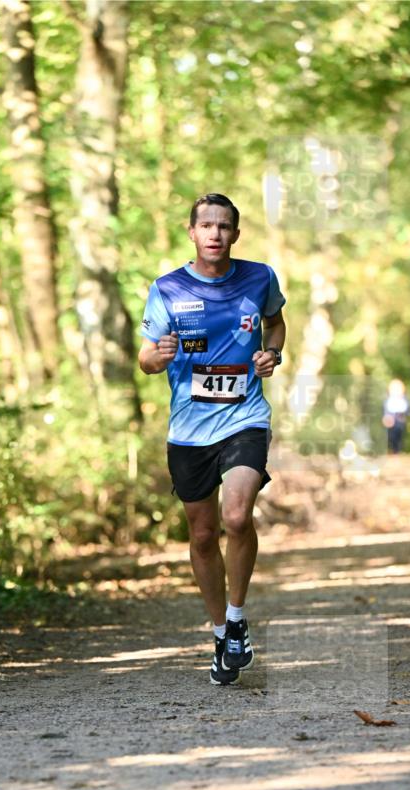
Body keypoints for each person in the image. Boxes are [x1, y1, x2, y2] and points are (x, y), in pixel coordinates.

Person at [138, 193, 287, 686]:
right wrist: (158, 358)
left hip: (245, 417)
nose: (216, 234)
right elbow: (145, 357)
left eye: (224, 226)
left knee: (237, 515)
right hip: (189, 430)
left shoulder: (260, 277)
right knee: (202, 536)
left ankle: (240, 619)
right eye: (207, 225)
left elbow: (275, 322)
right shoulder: (167, 289)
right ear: (192, 232)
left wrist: (271, 353)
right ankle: (221, 631)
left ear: (235, 235)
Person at [382, 379, 410, 454]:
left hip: (400, 421)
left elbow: (408, 409)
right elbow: (386, 410)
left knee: (399, 437)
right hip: (390, 421)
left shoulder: (404, 400)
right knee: (391, 436)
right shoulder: (388, 400)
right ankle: (392, 449)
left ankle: (398, 450)